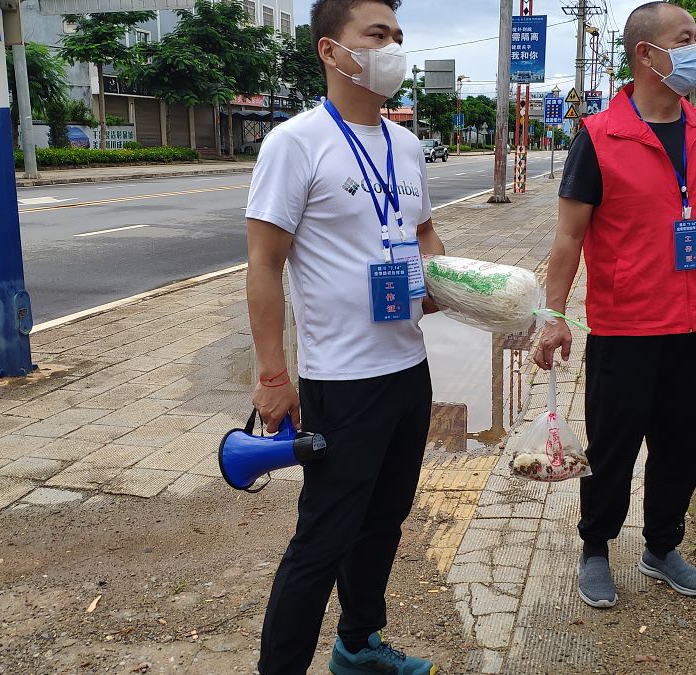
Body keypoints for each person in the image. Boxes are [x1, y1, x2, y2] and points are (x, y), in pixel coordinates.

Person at [534, 1, 696, 610]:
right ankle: (594, 550)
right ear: (648, 54)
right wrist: (553, 314)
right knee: (613, 449)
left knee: (684, 444)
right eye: (685, 38)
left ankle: (662, 546)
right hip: (624, 330)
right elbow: (569, 237)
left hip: (693, 326)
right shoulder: (598, 136)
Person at [244, 0, 444, 672]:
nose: (394, 48)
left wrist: (473, 295)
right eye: (378, 35)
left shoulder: (407, 145)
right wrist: (274, 376)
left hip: (408, 369)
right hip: (341, 381)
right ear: (332, 51)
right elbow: (264, 264)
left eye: (399, 36)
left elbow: (422, 238)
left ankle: (358, 642)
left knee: (385, 520)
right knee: (322, 540)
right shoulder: (295, 143)